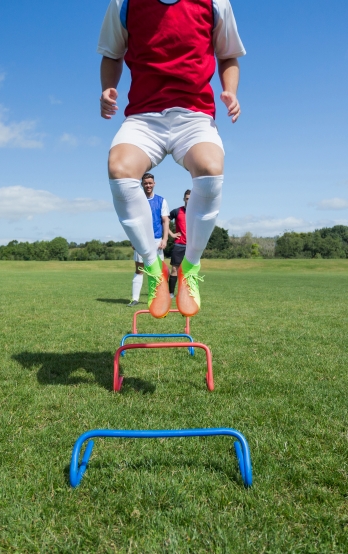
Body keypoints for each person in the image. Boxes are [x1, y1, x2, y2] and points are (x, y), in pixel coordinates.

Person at [98, 0, 245, 318]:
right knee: (119, 168)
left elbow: (228, 54)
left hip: (194, 115)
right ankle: (154, 269)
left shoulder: (215, 3)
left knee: (210, 167)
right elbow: (112, 54)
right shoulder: (124, 3)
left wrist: (230, 90)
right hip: (143, 117)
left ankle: (190, 267)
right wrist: (109, 88)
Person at [128, 173, 171, 306]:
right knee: (139, 269)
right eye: (145, 183)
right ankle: (135, 299)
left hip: (157, 240)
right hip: (141, 240)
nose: (148, 185)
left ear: (154, 183)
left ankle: (159, 297)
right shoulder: (136, 200)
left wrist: (165, 239)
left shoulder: (161, 201)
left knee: (159, 270)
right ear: (142, 184)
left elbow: (165, 221)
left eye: (150, 183)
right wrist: (133, 240)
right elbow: (132, 222)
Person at [168, 189, 190, 297]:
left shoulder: (197, 212)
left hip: (191, 247)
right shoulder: (177, 211)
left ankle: (185, 292)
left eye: (191, 199)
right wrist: (171, 234)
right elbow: (164, 221)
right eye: (187, 199)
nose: (188, 201)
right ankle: (171, 293)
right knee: (174, 269)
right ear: (184, 199)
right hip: (179, 244)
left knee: (188, 270)